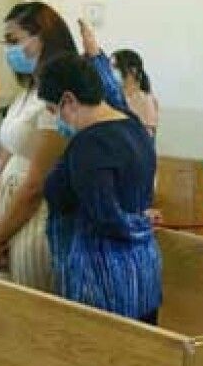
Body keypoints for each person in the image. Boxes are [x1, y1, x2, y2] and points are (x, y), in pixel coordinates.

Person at [0, 2, 125, 291]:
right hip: (7, 224)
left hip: (35, 223)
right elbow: (2, 165)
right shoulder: (27, 91)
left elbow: (35, 186)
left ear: (43, 37)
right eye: (5, 42)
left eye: (14, 41)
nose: (9, 50)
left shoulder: (57, 96)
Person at [39, 53, 161, 323]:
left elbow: (105, 216)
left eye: (52, 110)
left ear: (68, 100)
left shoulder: (89, 145)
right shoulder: (133, 127)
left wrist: (138, 222)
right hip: (143, 272)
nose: (55, 120)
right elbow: (112, 93)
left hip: (102, 284)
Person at [111, 49, 159, 136]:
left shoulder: (145, 100)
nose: (112, 71)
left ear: (133, 70)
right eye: (110, 67)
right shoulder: (115, 95)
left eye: (115, 67)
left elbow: (147, 137)